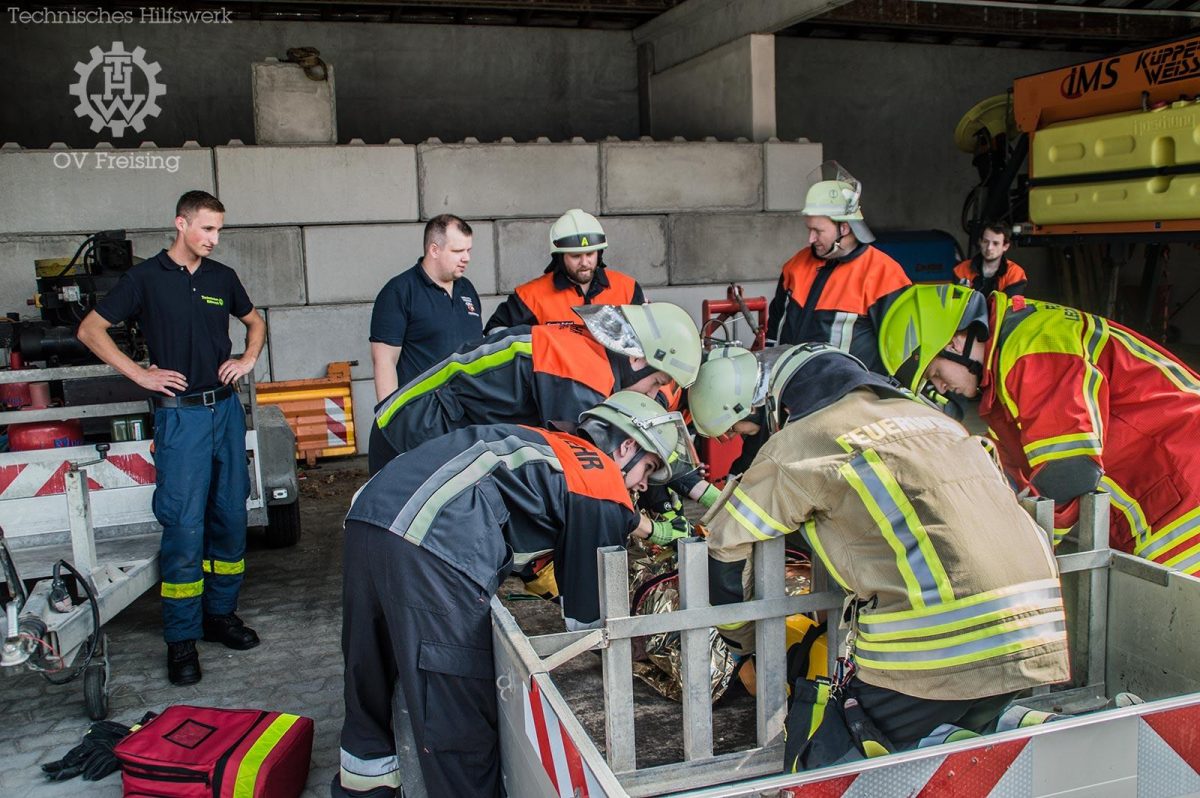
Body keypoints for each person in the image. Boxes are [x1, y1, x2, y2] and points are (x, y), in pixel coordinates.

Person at [690, 342, 1070, 763]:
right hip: (1038, 628)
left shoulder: (801, 441)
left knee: (829, 757)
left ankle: (939, 747)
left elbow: (725, 546)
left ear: (768, 406)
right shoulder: (935, 419)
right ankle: (1047, 736)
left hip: (938, 644)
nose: (745, 442)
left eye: (743, 431)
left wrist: (746, 643)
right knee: (980, 738)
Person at [333, 392, 697, 798]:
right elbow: (588, 623)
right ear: (627, 445)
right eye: (647, 469)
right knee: (456, 706)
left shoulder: (554, 447)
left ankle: (364, 788)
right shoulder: (599, 481)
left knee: (369, 671)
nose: (644, 485)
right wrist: (644, 652)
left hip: (369, 515)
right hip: (435, 542)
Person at [878, 283, 1200, 576]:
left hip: (1186, 491)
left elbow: (1070, 471)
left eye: (935, 372)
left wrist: (1026, 553)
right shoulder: (1001, 385)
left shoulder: (1032, 342)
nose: (942, 387)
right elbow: (1016, 480)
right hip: (1164, 497)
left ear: (956, 340)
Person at [76, 190, 265, 686]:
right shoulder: (143, 280)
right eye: (207, 229)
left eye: (219, 230)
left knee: (229, 515)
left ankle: (219, 616)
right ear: (180, 224)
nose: (214, 239)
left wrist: (247, 360)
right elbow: (91, 329)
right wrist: (138, 374)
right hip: (180, 419)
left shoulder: (222, 278)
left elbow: (255, 322)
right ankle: (181, 638)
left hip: (224, 412)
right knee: (183, 526)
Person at [366, 302, 701, 474]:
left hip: (418, 426)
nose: (649, 395)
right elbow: (586, 465)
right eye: (656, 383)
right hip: (406, 430)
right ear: (638, 360)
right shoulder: (582, 371)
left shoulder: (590, 356)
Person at [766, 161, 910, 373]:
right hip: (790, 391)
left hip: (850, 397)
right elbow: (774, 330)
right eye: (809, 229)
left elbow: (902, 353)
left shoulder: (884, 275)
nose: (810, 238)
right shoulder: (795, 266)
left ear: (844, 227)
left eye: (818, 230)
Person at [369, 214, 483, 403]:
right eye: (458, 251)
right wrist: (391, 420)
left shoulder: (467, 289)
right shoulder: (400, 292)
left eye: (469, 250)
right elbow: (384, 362)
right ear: (434, 250)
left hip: (470, 413)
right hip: (424, 417)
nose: (467, 258)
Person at [483, 208, 644, 333]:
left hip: (617, 376)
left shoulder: (627, 289)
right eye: (575, 256)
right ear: (559, 257)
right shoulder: (530, 297)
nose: (584, 262)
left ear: (599, 253)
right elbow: (495, 334)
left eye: (590, 254)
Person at [953, 223, 1028, 296]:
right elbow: (955, 304)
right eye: (986, 241)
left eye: (995, 243)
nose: (989, 247)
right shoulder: (961, 269)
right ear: (980, 241)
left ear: (1005, 246)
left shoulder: (1015, 273)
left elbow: (1010, 307)